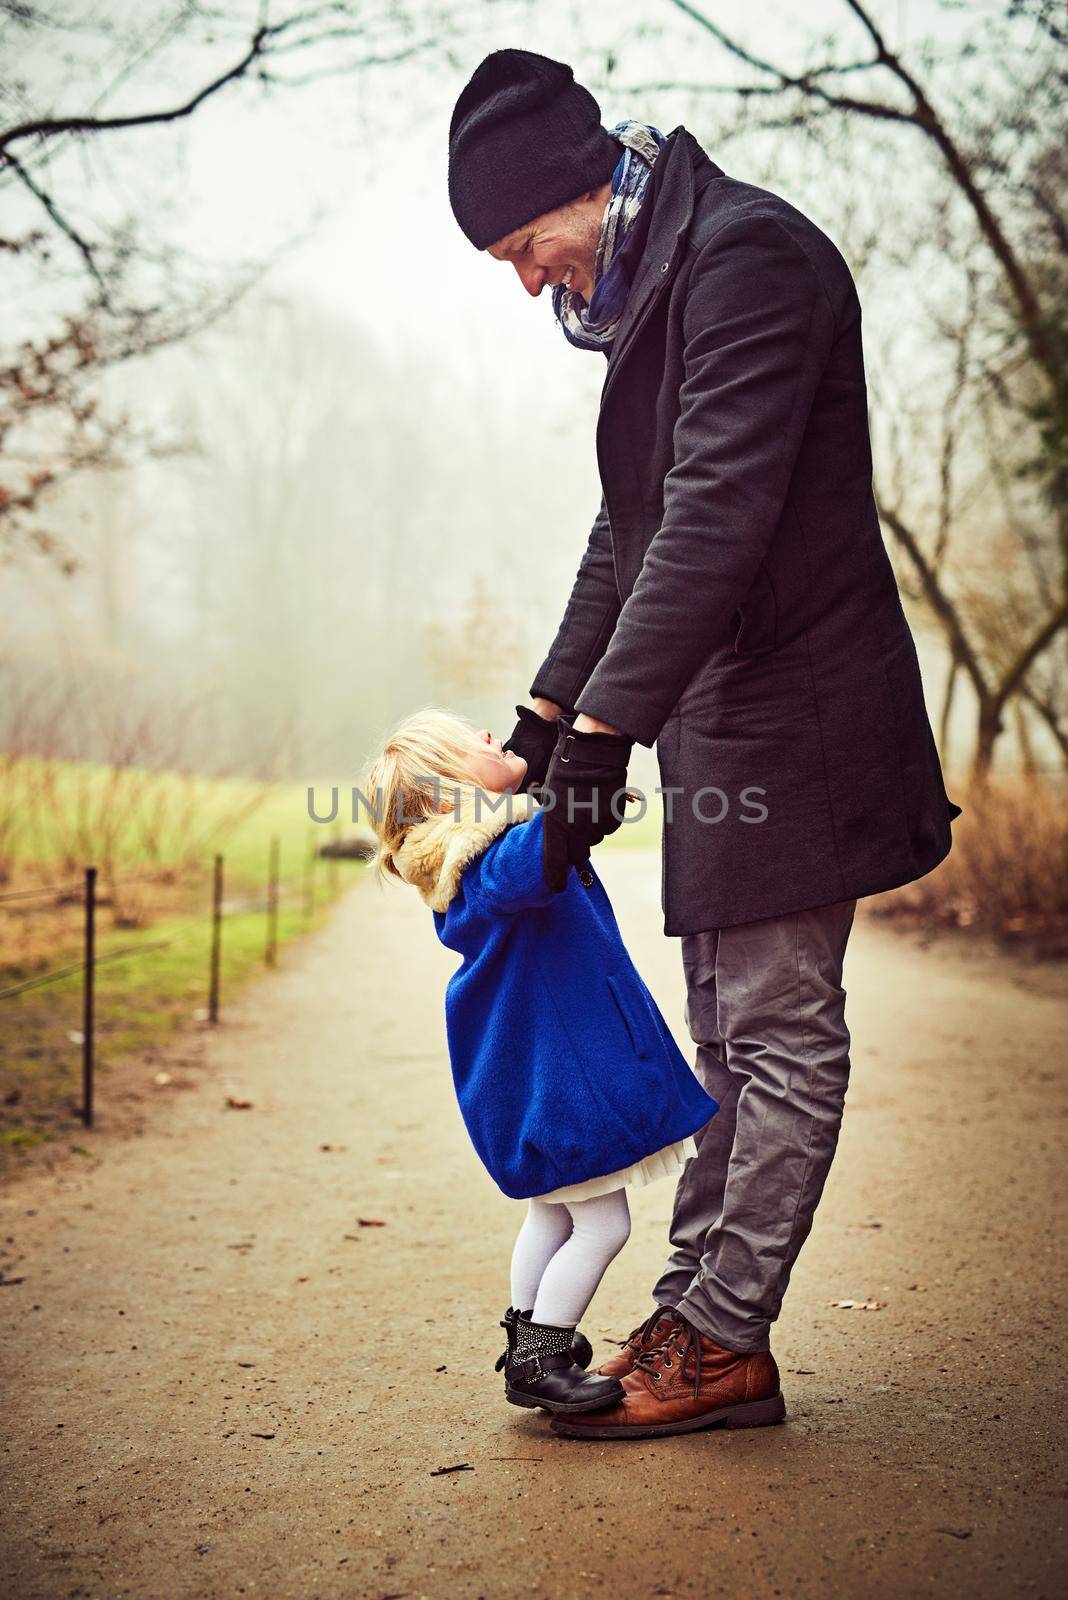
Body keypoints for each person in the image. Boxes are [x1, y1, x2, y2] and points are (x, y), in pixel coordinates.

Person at [447, 49, 962, 1438]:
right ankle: (694, 1310)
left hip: (806, 711)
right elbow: (630, 528)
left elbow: (716, 519)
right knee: (726, 1033)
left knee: (778, 1034)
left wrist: (604, 738)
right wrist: (542, 724)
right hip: (729, 710)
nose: (526, 279)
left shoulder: (749, 262)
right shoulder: (654, 287)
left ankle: (726, 1340)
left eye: (522, 245)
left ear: (581, 187)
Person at [359, 709, 742, 1420]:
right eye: (469, 743)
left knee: (552, 1216)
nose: (488, 736)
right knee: (603, 1226)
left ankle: (529, 1337)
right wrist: (589, 755)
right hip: (566, 1086)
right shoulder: (497, 865)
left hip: (543, 1082)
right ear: (451, 796)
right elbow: (556, 837)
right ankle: (543, 1349)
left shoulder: (472, 867)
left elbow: (555, 827)